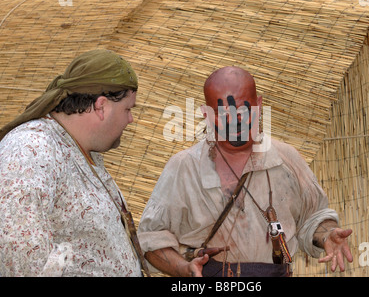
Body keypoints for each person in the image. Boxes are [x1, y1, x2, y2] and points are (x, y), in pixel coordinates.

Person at [138, 66, 353, 277]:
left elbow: (314, 216)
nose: (235, 120)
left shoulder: (286, 159)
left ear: (258, 104)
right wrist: (184, 269)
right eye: (223, 113)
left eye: (243, 110)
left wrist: (327, 234)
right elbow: (151, 237)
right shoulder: (184, 168)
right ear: (206, 114)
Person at [0, 49, 147, 277]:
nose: (130, 119)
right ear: (101, 106)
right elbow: (22, 260)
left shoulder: (76, 148)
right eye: (128, 109)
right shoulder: (31, 149)